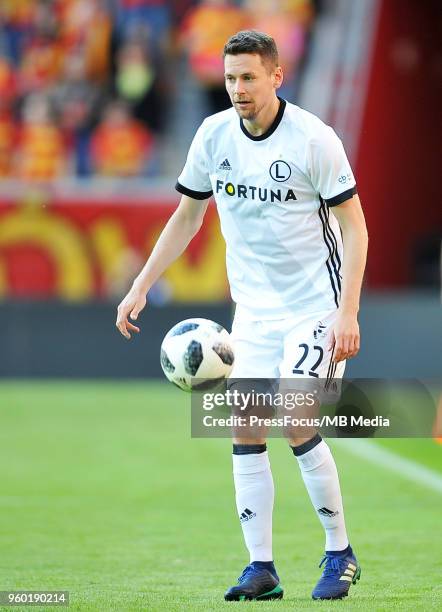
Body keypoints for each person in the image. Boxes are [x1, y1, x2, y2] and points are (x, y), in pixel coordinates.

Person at [116, 30, 368, 601]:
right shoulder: (213, 135)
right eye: (230, 78)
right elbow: (187, 217)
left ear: (277, 77)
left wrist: (347, 312)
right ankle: (261, 568)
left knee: (297, 416)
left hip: (314, 306)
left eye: (249, 77)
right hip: (253, 311)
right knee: (246, 426)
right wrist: (140, 286)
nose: (238, 89)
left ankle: (339, 553)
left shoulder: (313, 140)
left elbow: (355, 226)